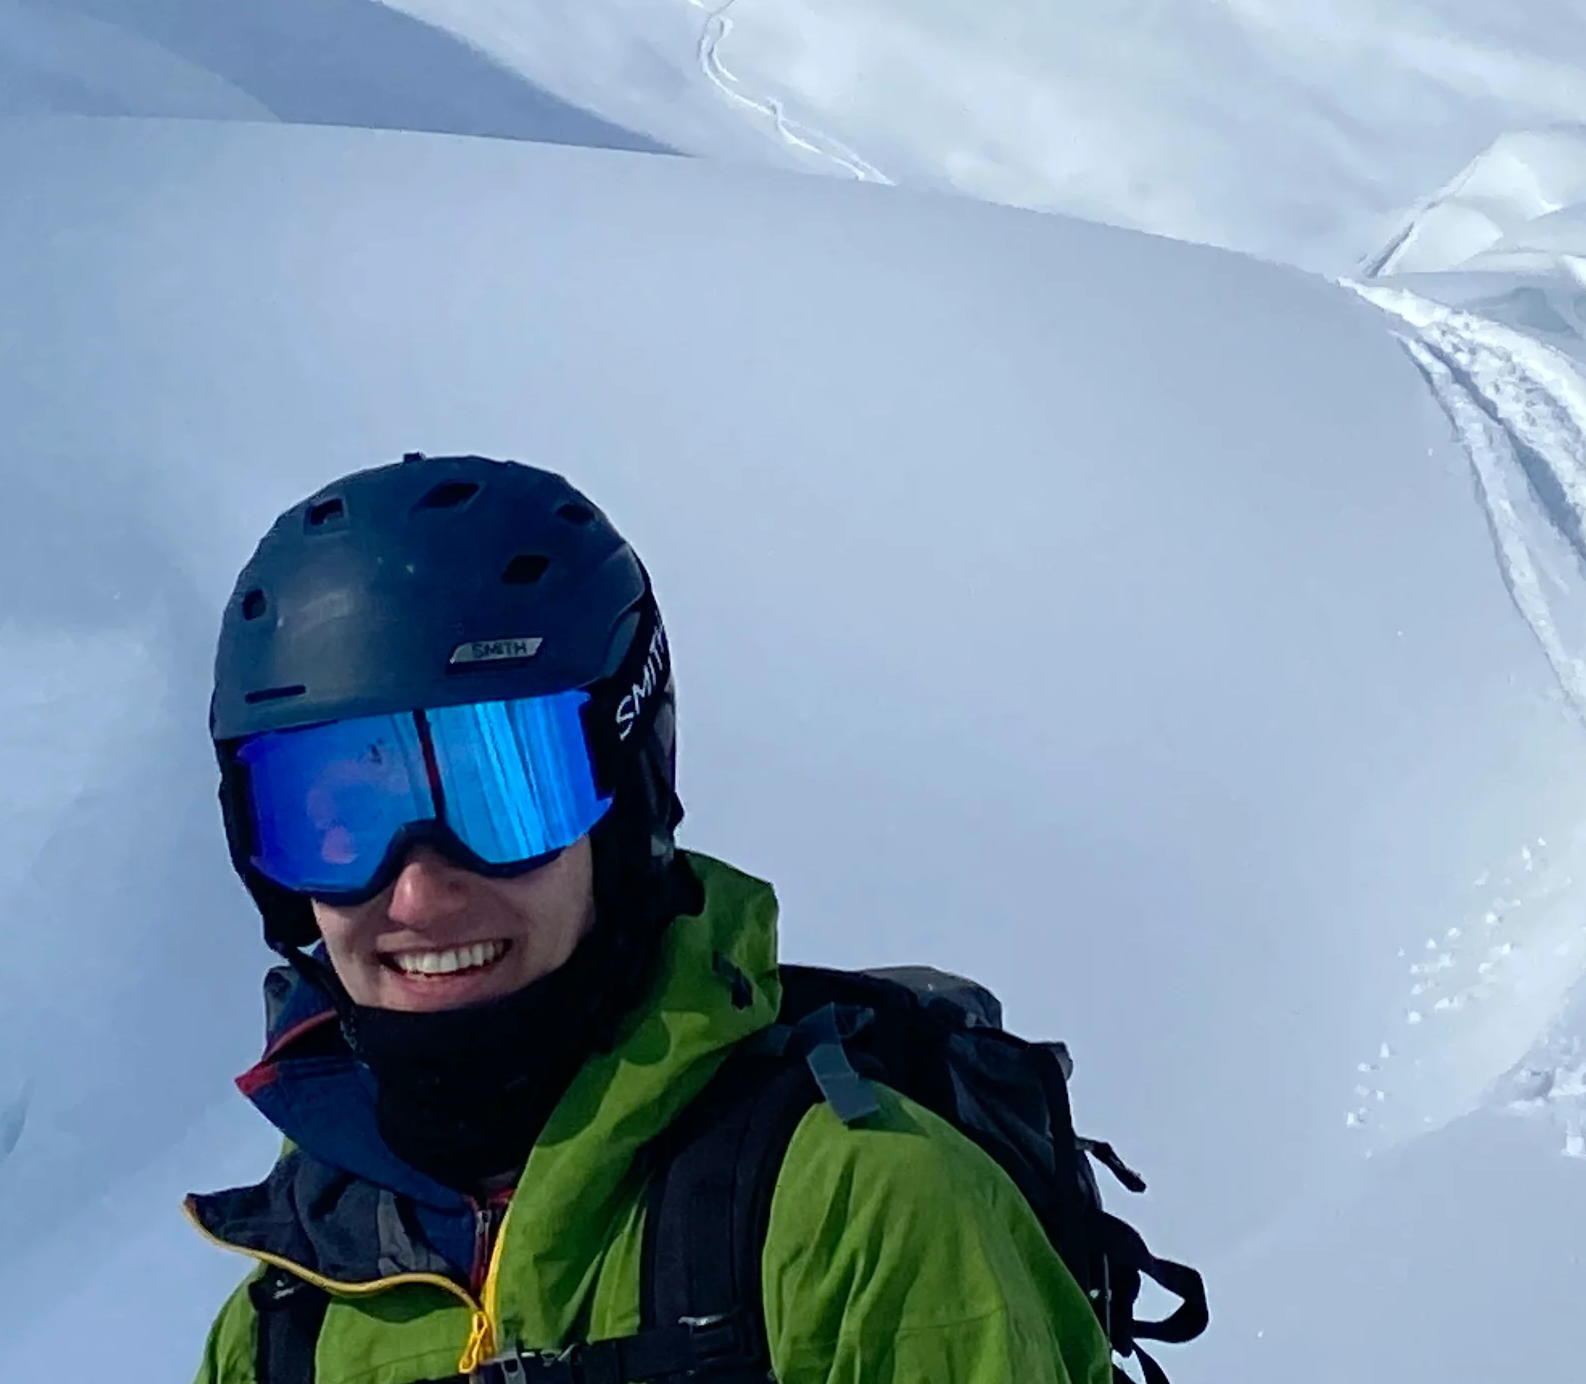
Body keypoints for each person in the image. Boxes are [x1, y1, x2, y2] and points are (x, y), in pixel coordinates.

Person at [184, 454, 1120, 1384]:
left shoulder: (854, 1214)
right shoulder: (283, 1325)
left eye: (502, 795)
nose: (419, 894)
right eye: (340, 819)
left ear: (625, 806)